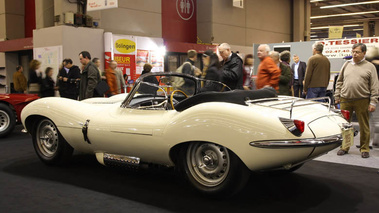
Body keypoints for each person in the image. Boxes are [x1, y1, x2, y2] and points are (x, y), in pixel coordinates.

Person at [335, 43, 379, 158]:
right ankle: (345, 146)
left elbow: (374, 86)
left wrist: (373, 101)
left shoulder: (370, 67)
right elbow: (339, 81)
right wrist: (337, 96)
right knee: (345, 125)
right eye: (353, 51)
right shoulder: (346, 64)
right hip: (345, 99)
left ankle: (364, 148)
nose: (354, 54)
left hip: (362, 99)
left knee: (364, 126)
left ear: (364, 53)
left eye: (357, 52)